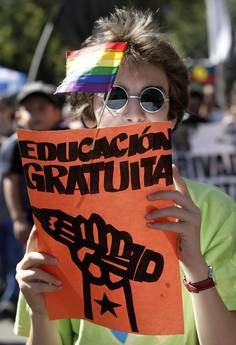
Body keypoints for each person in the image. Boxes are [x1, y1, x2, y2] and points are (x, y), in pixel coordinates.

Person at [14, 8, 236, 345]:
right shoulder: (59, 210)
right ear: (90, 115)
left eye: (151, 97)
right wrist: (40, 313)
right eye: (115, 97)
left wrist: (194, 264)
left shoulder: (215, 211)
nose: (133, 113)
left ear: (171, 116)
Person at [0, 81, 67, 245]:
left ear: (57, 112)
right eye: (29, 108)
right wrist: (17, 219)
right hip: (30, 221)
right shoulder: (16, 144)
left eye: (42, 108)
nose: (35, 114)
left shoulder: (68, 139)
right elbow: (10, 179)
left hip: (65, 218)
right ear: (18, 115)